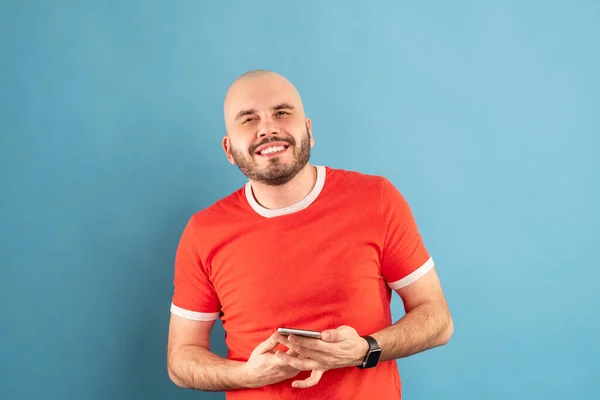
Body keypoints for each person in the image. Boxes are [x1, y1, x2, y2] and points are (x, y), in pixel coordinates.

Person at [166, 69, 453, 399]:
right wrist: (247, 374)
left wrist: (365, 349)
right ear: (229, 150)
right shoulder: (204, 232)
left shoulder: (376, 199)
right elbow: (181, 359)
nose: (268, 128)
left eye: (282, 112)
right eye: (248, 119)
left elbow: (437, 318)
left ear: (309, 131)